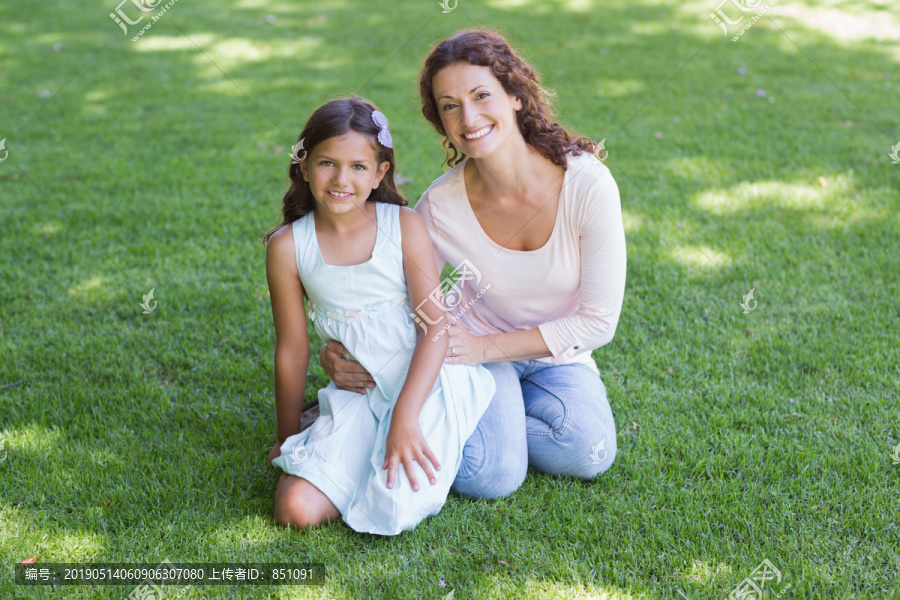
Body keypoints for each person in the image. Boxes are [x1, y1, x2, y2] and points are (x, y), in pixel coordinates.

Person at [320, 28, 626, 499]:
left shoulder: (586, 185)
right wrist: (336, 350)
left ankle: (486, 421)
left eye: (482, 95)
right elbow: (384, 285)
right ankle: (480, 419)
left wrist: (488, 349)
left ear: (516, 97)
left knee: (588, 450)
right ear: (440, 122)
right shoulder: (441, 205)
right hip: (470, 354)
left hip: (555, 356)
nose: (468, 116)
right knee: (491, 475)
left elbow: (599, 322)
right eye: (449, 105)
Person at [263, 96, 495, 535]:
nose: (341, 179)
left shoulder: (403, 226)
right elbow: (293, 351)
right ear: (304, 165)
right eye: (327, 163)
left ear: (379, 173)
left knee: (394, 503)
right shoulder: (288, 246)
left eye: (358, 167)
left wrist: (405, 416)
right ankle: (335, 440)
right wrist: (287, 437)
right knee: (295, 509)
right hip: (360, 389)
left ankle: (381, 441)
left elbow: (435, 329)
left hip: (425, 385)